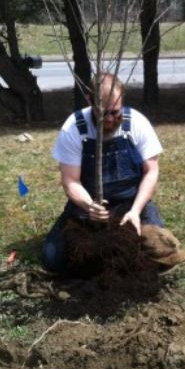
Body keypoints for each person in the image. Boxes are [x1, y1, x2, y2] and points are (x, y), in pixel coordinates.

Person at [41, 73, 164, 272]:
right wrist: (89, 206)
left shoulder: (137, 123)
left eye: (115, 112)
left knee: (157, 252)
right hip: (88, 206)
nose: (108, 119)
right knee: (53, 258)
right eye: (103, 112)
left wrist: (135, 211)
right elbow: (70, 180)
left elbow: (151, 171)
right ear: (90, 100)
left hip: (131, 204)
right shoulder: (73, 128)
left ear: (122, 99)